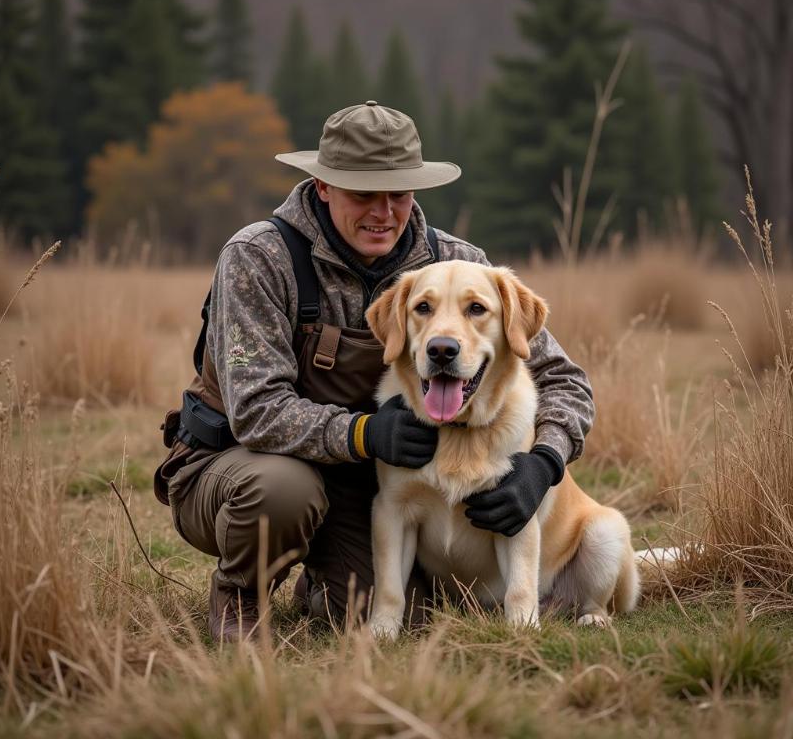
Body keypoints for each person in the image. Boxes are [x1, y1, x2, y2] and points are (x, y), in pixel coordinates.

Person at [154, 101, 594, 642]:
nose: (383, 211)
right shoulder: (259, 258)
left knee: (390, 622)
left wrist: (544, 464)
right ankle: (240, 594)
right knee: (284, 490)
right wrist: (366, 432)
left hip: (366, 489)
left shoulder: (458, 265)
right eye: (364, 193)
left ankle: (323, 577)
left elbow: (564, 381)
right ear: (323, 187)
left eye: (399, 194)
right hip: (241, 470)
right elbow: (256, 412)